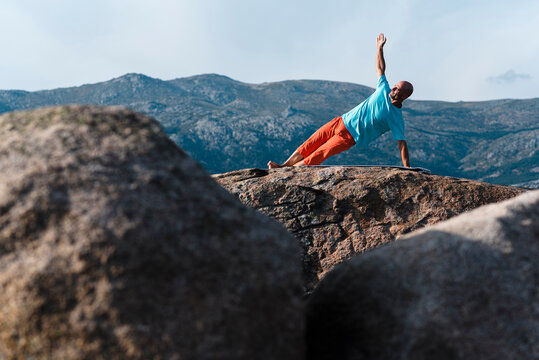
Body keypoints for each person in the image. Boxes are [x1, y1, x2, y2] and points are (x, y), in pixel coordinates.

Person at [268, 33, 413, 169]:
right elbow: (380, 68)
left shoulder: (396, 118)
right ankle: (284, 166)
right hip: (340, 121)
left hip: (350, 137)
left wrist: (407, 167)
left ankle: (290, 171)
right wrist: (379, 48)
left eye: (397, 89)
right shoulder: (383, 90)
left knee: (319, 154)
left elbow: (402, 143)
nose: (392, 88)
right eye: (394, 86)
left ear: (403, 96)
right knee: (310, 144)